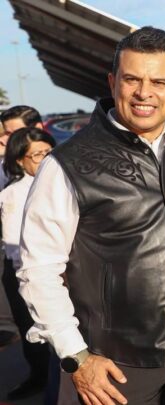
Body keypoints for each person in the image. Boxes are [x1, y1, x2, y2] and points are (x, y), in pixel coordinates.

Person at [17, 26, 165, 405]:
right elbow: (38, 269)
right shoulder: (67, 163)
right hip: (113, 370)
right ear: (113, 83)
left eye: (159, 81)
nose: (145, 93)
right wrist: (76, 357)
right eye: (132, 79)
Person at [0, 126, 54, 400]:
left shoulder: (59, 182)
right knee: (33, 330)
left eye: (48, 152)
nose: (45, 159)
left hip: (59, 270)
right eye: (37, 155)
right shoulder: (14, 194)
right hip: (26, 273)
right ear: (20, 160)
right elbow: (13, 245)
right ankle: (39, 378)